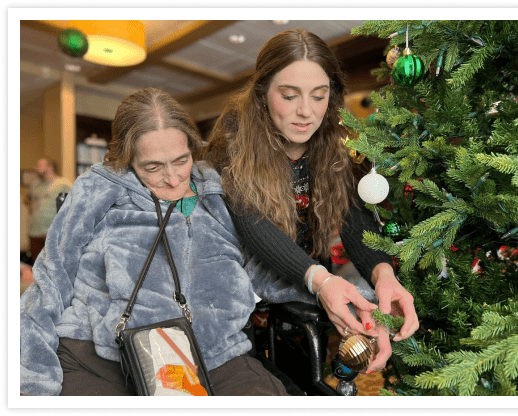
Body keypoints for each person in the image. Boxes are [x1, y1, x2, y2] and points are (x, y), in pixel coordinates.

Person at [20, 88, 289, 396]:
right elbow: (50, 283)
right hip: (102, 356)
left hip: (214, 355)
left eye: (181, 160)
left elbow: (263, 268)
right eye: (153, 167)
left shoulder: (216, 192)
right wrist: (34, 381)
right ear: (128, 159)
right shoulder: (97, 191)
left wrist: (324, 288)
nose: (173, 179)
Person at [204, 28, 420, 373]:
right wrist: (321, 281)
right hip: (239, 308)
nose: (306, 112)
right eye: (289, 96)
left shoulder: (337, 145)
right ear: (262, 93)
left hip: (310, 295)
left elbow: (356, 220)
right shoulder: (232, 145)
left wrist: (384, 275)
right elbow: (252, 223)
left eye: (319, 96)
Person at [26, 158, 72, 261]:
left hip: (52, 233)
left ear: (49, 167)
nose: (35, 168)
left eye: (39, 165)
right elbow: (27, 199)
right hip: (34, 232)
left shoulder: (63, 184)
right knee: (37, 266)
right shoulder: (35, 185)